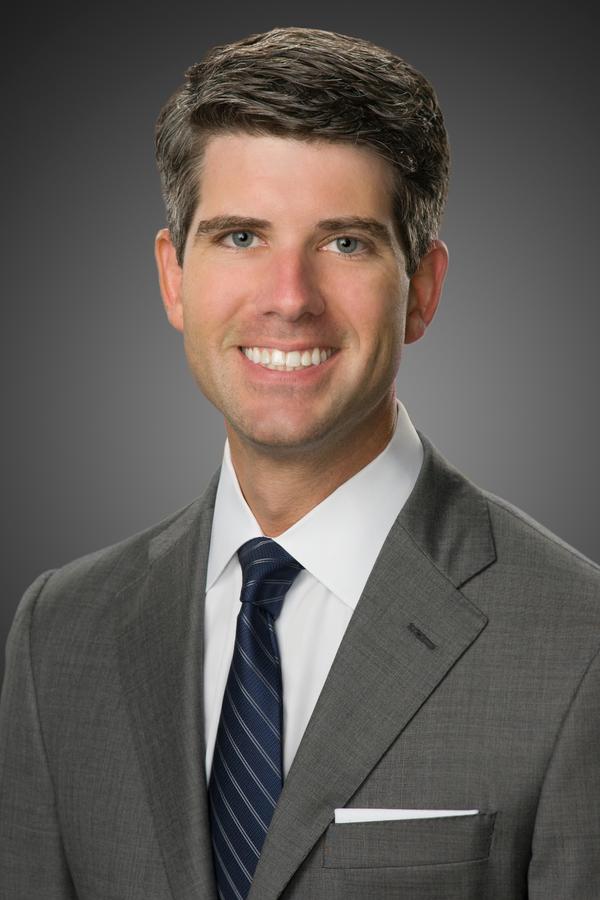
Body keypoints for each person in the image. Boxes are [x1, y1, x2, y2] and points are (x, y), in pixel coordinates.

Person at [1, 24, 599, 900]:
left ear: (423, 290)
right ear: (174, 278)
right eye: (242, 237)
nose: (289, 299)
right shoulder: (59, 632)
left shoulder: (578, 644)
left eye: (345, 243)